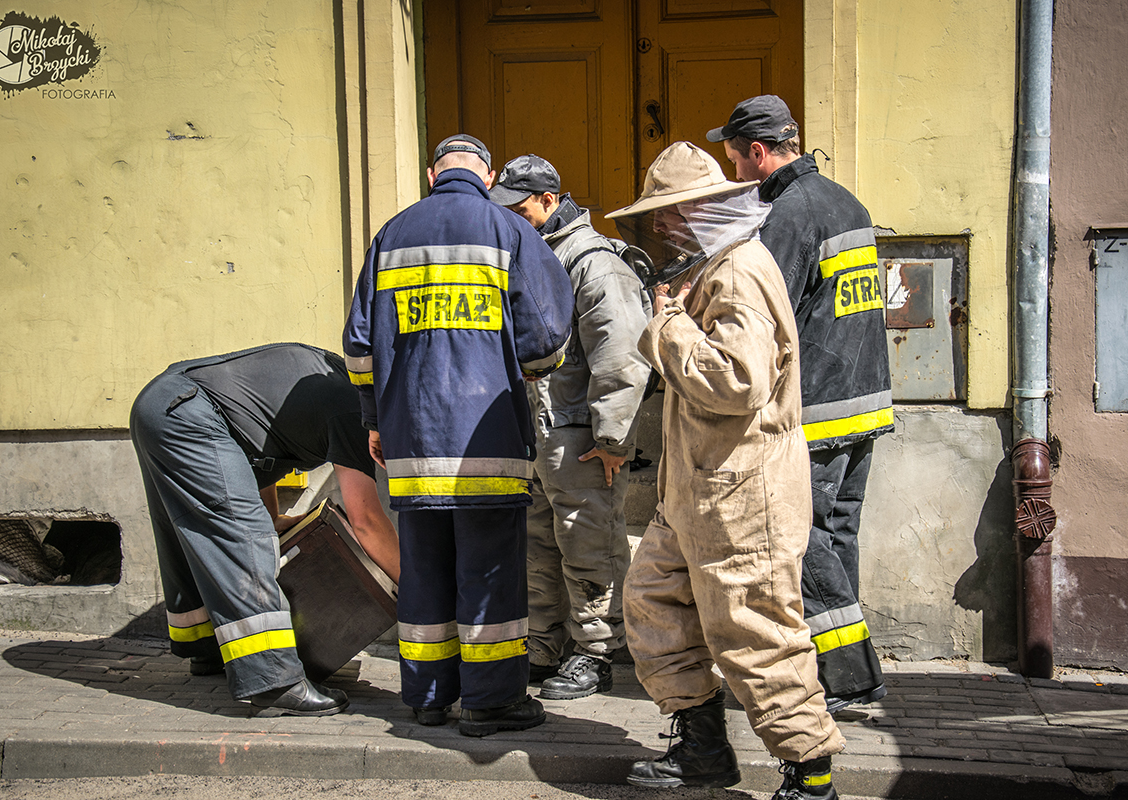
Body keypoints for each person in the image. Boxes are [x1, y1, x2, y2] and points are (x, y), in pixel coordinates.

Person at [607, 142, 844, 799]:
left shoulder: (735, 272)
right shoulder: (711, 266)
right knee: (654, 601)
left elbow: (738, 381)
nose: (661, 229)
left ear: (699, 210)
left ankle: (811, 776)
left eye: (669, 215)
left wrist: (667, 327)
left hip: (742, 496)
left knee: (757, 633)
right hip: (696, 494)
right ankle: (701, 751)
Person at [342, 135, 574, 736]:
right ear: (489, 173)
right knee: (489, 570)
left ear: (430, 173)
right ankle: (491, 702)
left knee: (424, 568)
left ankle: (426, 697)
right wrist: (525, 370)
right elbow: (546, 338)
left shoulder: (390, 236)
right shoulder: (509, 230)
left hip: (411, 440)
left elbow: (360, 347)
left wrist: (374, 419)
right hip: (486, 437)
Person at [707, 96, 892, 715]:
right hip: (865, 402)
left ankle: (845, 675)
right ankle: (835, 667)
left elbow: (764, 313)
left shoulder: (787, 214)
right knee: (837, 537)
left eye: (734, 160)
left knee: (800, 540)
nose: (733, 173)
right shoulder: (846, 201)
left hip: (817, 409)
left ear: (758, 153)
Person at [130, 342, 401, 716]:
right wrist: (418, 588)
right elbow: (366, 520)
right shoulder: (353, 412)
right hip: (187, 412)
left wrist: (273, 517)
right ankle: (274, 682)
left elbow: (254, 444)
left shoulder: (330, 381)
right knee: (244, 537)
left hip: (163, 404)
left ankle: (208, 648)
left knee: (193, 535)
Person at [490, 154, 652, 699]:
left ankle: (598, 651)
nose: (510, 216)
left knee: (589, 543)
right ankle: (544, 643)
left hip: (580, 438)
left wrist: (612, 440)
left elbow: (623, 355)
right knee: (539, 542)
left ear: (550, 201)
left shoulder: (593, 262)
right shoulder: (532, 254)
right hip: (539, 434)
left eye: (518, 207)